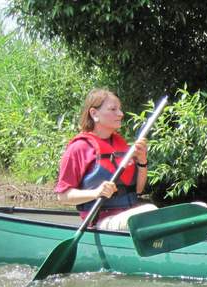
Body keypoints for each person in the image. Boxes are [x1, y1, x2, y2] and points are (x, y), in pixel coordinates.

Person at [54, 89, 157, 231]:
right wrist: (96, 193)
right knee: (150, 211)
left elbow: (138, 189)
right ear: (94, 114)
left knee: (165, 214)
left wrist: (142, 160)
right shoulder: (79, 148)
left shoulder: (123, 147)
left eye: (119, 109)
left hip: (126, 215)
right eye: (113, 109)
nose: (120, 114)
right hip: (100, 221)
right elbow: (63, 196)